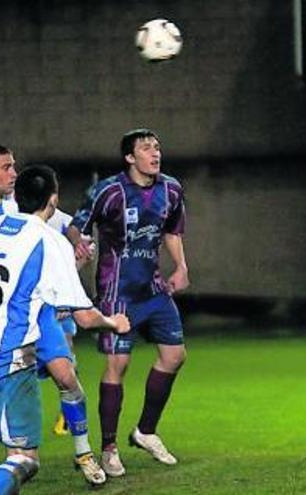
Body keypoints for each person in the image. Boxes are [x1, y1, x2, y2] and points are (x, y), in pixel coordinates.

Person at [0, 165, 130, 495]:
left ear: (15, 196)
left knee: (65, 378)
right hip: (6, 358)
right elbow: (86, 318)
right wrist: (113, 322)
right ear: (53, 200)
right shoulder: (49, 241)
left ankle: (83, 453)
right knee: (23, 460)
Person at [67, 128, 189, 476]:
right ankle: (108, 448)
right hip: (116, 293)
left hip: (153, 289)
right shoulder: (108, 190)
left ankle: (145, 431)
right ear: (130, 158)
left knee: (175, 355)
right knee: (117, 365)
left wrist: (180, 266)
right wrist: (78, 244)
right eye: (146, 148)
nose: (155, 152)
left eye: (157, 146)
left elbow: (172, 231)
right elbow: (77, 226)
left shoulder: (171, 189)